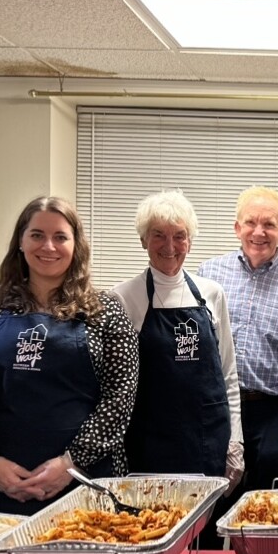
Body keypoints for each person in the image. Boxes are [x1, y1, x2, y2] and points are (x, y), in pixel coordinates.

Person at [0, 197, 139, 515]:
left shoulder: (107, 311)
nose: (49, 246)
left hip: (86, 484)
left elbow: (119, 399)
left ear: (76, 245)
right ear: (20, 241)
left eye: (60, 236)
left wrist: (71, 463)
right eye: (37, 235)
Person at [112, 190, 242, 490]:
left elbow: (228, 376)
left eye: (179, 236)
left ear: (190, 241)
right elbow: (115, 387)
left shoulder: (212, 293)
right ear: (144, 240)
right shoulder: (122, 297)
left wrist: (235, 442)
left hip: (208, 441)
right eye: (158, 235)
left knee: (204, 534)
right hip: (149, 446)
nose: (169, 246)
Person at [199, 187, 278, 494]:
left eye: (270, 225)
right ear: (237, 227)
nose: (259, 232)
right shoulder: (208, 274)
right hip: (219, 405)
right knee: (213, 495)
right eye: (251, 222)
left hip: (271, 411)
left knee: (266, 501)